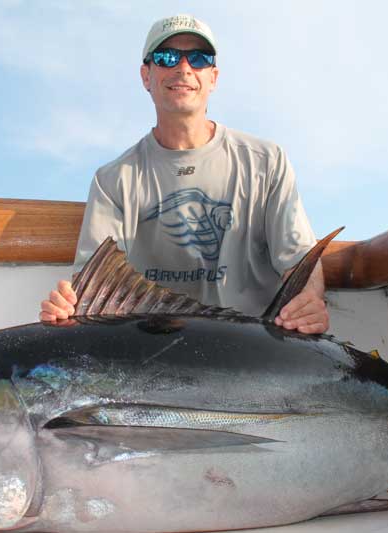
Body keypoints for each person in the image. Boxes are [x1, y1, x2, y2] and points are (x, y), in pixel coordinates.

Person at [40, 14, 329, 333]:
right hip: (154, 347)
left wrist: (308, 303)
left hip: (259, 338)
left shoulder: (267, 160)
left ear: (213, 77)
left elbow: (298, 260)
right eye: (166, 57)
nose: (183, 68)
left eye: (199, 58)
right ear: (146, 76)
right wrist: (69, 304)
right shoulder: (112, 180)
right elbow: (93, 289)